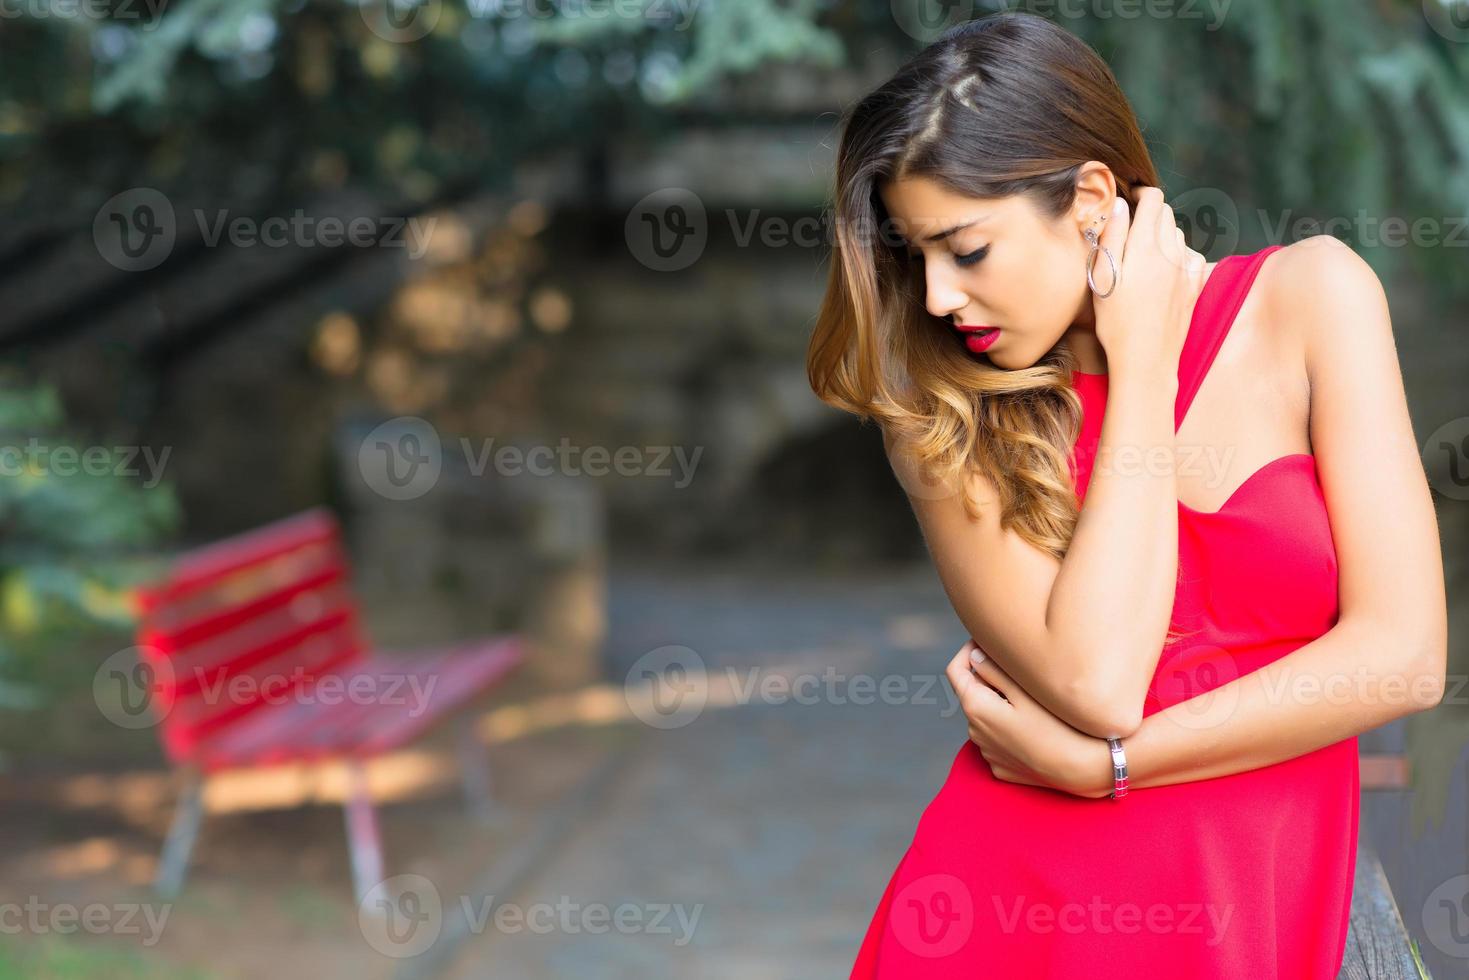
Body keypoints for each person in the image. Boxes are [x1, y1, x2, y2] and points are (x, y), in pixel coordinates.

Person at [805, 12, 1447, 978]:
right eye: (912, 257)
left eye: (965, 250)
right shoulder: (945, 421)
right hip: (1020, 922)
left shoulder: (1311, 299)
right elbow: (1099, 682)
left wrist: (1108, 769)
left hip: (1267, 912)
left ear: (1092, 199)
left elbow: (1402, 659)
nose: (935, 297)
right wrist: (1141, 367)